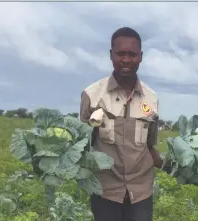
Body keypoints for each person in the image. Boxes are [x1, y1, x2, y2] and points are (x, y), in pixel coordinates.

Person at [79, 27, 163, 221]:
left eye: (132, 54)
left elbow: (150, 145)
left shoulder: (152, 99)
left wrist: (175, 166)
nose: (126, 59)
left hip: (141, 190)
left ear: (140, 57)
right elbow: (81, 145)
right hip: (105, 189)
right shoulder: (91, 95)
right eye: (120, 53)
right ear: (111, 55)